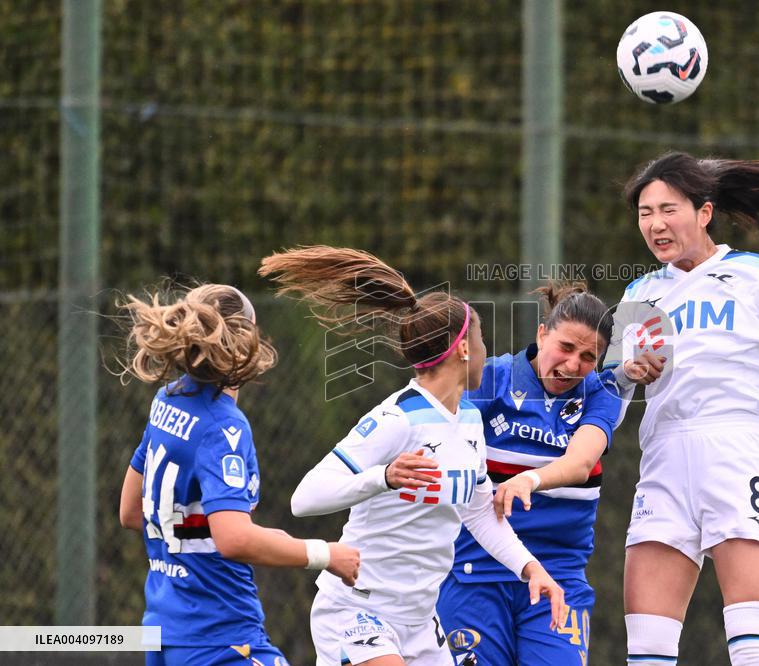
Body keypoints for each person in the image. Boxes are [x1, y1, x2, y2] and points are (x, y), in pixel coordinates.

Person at [257, 246, 568, 666]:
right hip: (358, 611)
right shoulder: (397, 419)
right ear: (463, 349)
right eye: (480, 340)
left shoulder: (470, 421)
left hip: (420, 621)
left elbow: (479, 513)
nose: (486, 349)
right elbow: (305, 498)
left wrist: (530, 568)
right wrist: (383, 477)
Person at [606, 152, 759, 666]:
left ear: (704, 213)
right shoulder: (639, 293)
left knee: (753, 649)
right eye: (645, 213)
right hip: (663, 464)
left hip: (736, 456)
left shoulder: (756, 275)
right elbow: (611, 403)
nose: (655, 224)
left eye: (668, 209)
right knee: (647, 652)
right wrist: (626, 374)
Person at [117, 283, 361, 666]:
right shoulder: (222, 427)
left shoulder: (167, 400)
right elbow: (233, 539)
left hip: (167, 634)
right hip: (220, 638)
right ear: (244, 342)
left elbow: (132, 512)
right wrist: (324, 553)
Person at [436, 283, 623, 666]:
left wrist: (529, 480)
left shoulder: (600, 393)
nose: (573, 365)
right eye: (566, 347)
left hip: (558, 575)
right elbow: (438, 442)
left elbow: (580, 463)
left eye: (589, 357)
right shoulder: (492, 379)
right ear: (541, 334)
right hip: (476, 571)